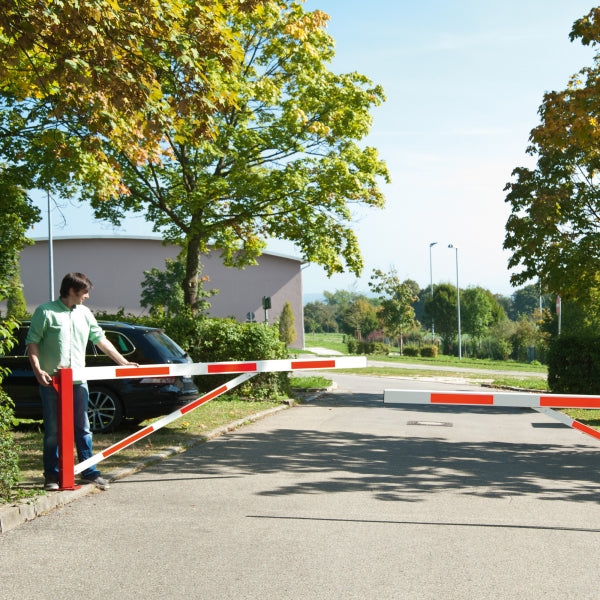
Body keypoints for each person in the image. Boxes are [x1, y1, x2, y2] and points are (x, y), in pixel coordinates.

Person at [26, 272, 138, 491]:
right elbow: (32, 343)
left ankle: (89, 472)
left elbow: (101, 339)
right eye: (84, 292)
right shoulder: (45, 311)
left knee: (83, 428)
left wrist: (123, 362)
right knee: (53, 431)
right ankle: (52, 475)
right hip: (52, 382)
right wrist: (38, 371)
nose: (87, 296)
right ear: (71, 290)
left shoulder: (85, 314)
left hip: (78, 381)